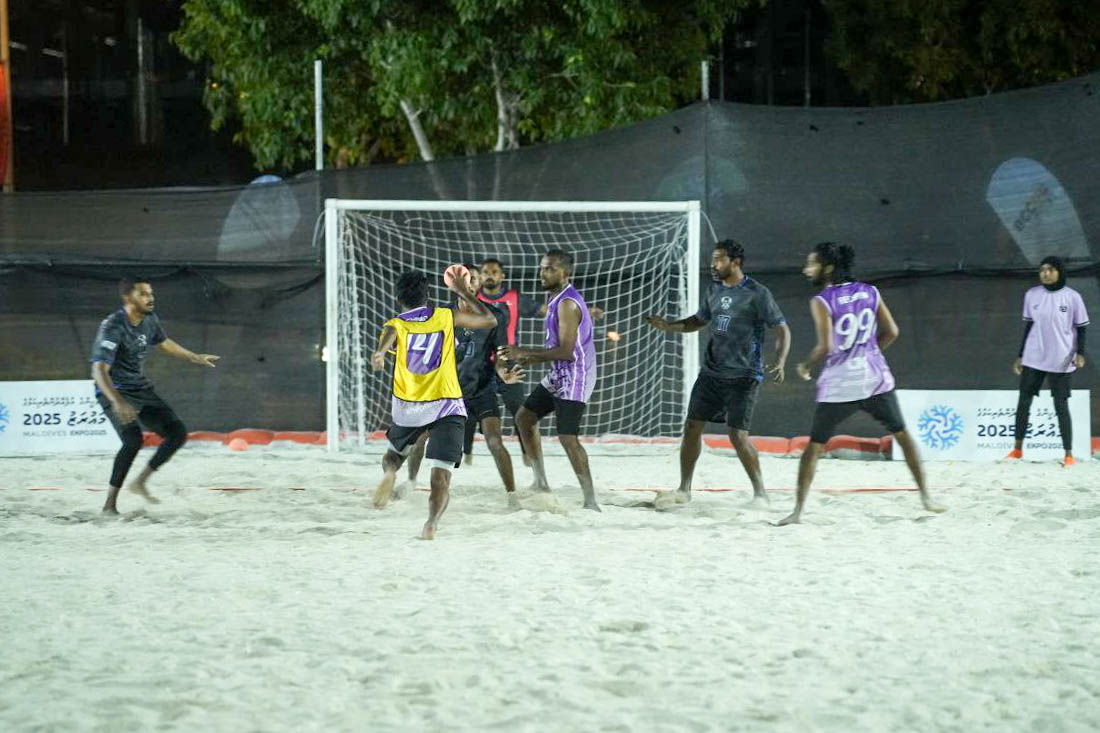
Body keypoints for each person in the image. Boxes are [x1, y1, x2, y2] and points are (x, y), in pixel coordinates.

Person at [777, 242, 945, 525]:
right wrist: (871, 351)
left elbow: (825, 346)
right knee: (903, 436)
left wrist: (805, 365)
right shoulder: (871, 291)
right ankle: (927, 496)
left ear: (828, 267)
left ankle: (797, 512)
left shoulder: (822, 300)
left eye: (812, 264)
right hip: (874, 379)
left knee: (814, 448)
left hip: (840, 385)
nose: (807, 270)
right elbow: (892, 332)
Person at [645, 239, 790, 504]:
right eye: (713, 259)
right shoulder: (713, 289)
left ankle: (760, 493)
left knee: (738, 436)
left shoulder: (757, 293)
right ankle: (684, 489)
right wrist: (668, 325)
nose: (714, 264)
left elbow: (781, 329)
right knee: (691, 427)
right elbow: (698, 321)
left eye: (720, 259)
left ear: (735, 262)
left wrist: (780, 361)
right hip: (711, 373)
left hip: (743, 376)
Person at [370, 269, 497, 539]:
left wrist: (380, 353)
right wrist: (463, 292)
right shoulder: (445, 316)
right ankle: (431, 524)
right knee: (441, 475)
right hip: (446, 403)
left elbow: (387, 338)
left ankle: (391, 472)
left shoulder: (397, 323)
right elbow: (489, 320)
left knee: (393, 456)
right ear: (428, 295)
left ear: (399, 299)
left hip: (409, 403)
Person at [90, 276, 219, 514]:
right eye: (143, 294)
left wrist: (195, 357)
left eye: (150, 293)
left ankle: (140, 482)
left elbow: (164, 342)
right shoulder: (113, 326)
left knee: (178, 433)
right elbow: (98, 370)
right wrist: (117, 401)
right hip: (114, 390)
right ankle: (109, 505)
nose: (150, 298)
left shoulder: (149, 319)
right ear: (128, 298)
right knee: (132, 440)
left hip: (139, 388)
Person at [397, 264, 525, 503]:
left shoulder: (495, 316)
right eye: (463, 278)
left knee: (495, 440)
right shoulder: (441, 315)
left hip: (480, 389)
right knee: (421, 436)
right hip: (447, 392)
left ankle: (512, 496)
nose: (468, 282)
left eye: (472, 279)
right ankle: (411, 481)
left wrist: (503, 373)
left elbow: (499, 355)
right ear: (451, 283)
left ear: (476, 285)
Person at [498, 249, 600, 511]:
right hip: (559, 372)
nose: (543, 272)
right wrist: (531, 358)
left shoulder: (567, 303)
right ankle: (540, 481)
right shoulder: (553, 297)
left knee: (567, 437)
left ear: (565, 273)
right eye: (543, 267)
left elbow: (567, 351)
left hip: (576, 375)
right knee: (524, 417)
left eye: (550, 269)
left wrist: (526, 353)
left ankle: (590, 500)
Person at [478, 257, 603, 464]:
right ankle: (466, 453)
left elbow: (553, 320)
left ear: (502, 276)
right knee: (507, 416)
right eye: (485, 272)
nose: (489, 275)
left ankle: (529, 458)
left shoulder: (517, 298)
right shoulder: (473, 300)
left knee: (526, 415)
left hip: (510, 362)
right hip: (481, 365)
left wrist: (585, 313)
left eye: (494, 272)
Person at [1005, 256, 1089, 466]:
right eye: (1042, 269)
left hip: (1061, 359)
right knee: (1024, 401)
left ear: (1059, 272)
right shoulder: (1032, 295)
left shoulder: (1072, 297)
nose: (1045, 273)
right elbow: (1028, 327)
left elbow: (1081, 327)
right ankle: (1017, 450)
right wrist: (1021, 355)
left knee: (1060, 404)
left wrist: (1080, 353)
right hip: (1033, 357)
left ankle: (1068, 454)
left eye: (1050, 269)